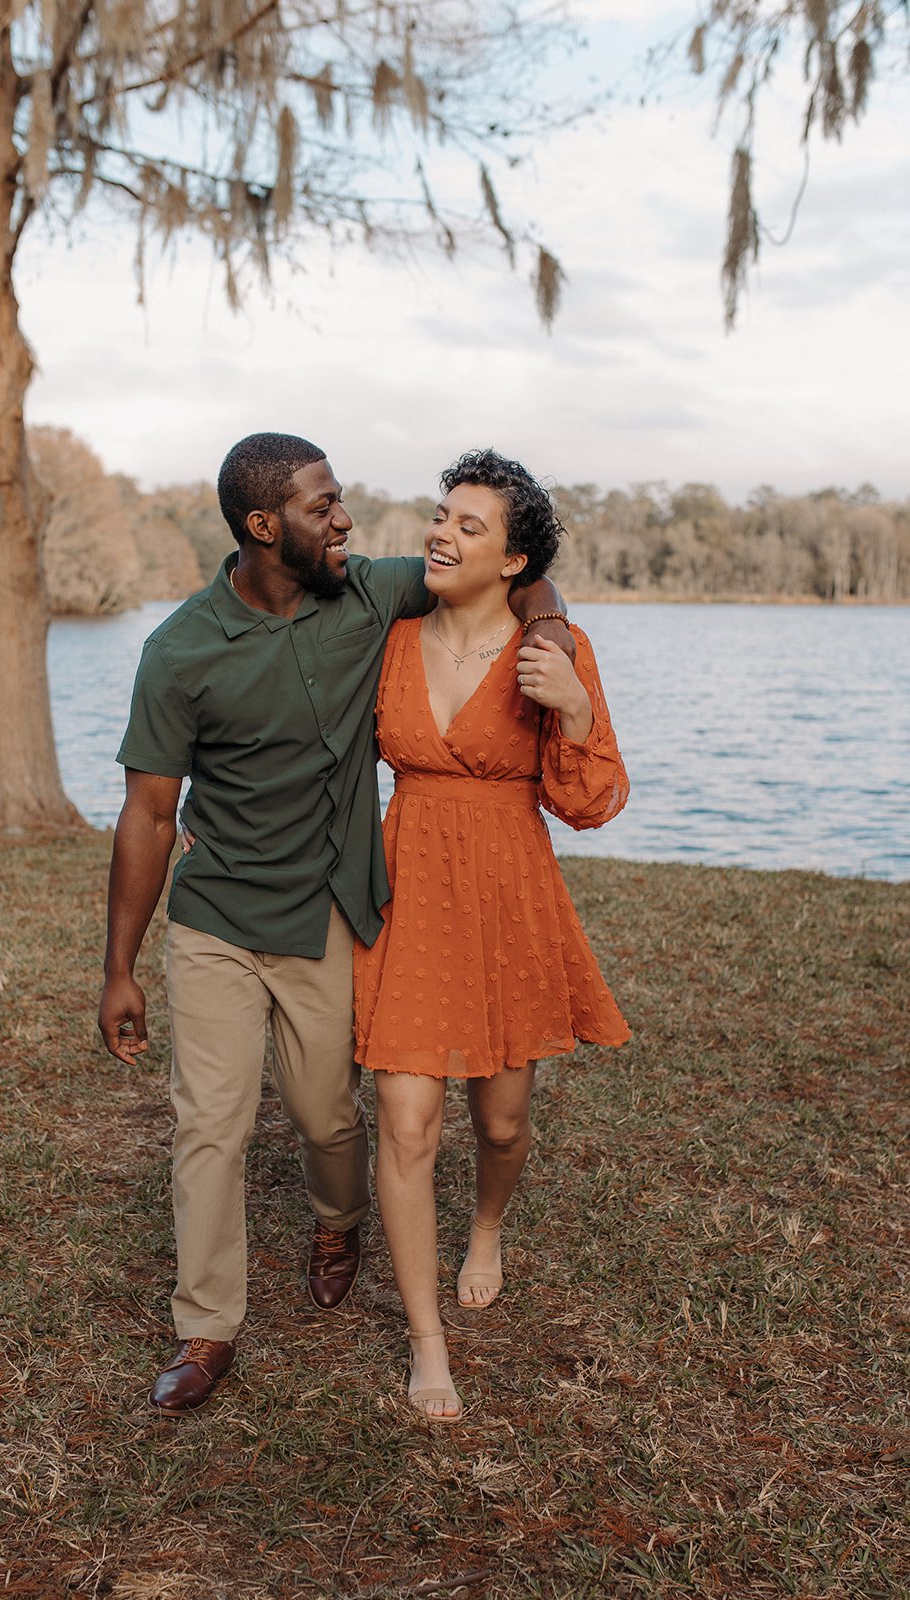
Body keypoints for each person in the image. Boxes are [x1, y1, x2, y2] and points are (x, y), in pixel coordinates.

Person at [97, 432, 574, 1414]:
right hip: (216, 914)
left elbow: (509, 575)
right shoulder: (179, 649)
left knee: (326, 1116)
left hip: (324, 913)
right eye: (323, 506)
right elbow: (146, 813)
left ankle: (338, 1219)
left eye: (340, 498)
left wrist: (555, 632)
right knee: (210, 1124)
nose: (345, 518)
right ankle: (206, 1327)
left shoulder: (364, 592)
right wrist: (119, 967)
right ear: (265, 525)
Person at [353, 448, 630, 1422]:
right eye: (441, 514)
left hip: (510, 892)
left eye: (471, 526)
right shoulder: (387, 636)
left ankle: (485, 1225)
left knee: (501, 1121)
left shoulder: (551, 648)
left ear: (514, 562)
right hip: (410, 889)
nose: (442, 532)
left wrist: (578, 710)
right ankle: (426, 1343)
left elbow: (589, 802)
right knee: (405, 1120)